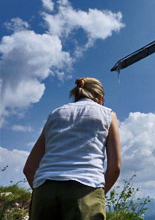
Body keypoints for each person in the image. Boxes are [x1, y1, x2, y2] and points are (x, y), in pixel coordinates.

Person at [23, 77, 122, 220]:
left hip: (44, 190)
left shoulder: (55, 115)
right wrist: (98, 195)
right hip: (86, 188)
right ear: (100, 98)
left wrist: (42, 193)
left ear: (76, 95)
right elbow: (115, 167)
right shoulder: (107, 115)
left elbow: (29, 168)